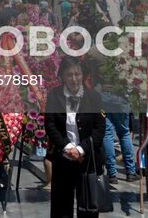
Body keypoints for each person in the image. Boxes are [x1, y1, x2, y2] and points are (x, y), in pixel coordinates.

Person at [44, 57, 106, 218]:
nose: (74, 79)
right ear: (62, 76)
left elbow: (99, 129)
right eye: (69, 75)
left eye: (77, 74)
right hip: (63, 158)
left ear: (83, 75)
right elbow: (50, 125)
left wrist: (80, 150)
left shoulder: (94, 97)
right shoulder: (54, 95)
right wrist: (67, 148)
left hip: (88, 160)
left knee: (88, 207)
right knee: (61, 207)